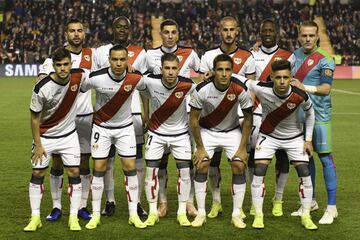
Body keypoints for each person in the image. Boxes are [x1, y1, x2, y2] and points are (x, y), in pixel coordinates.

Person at [247, 59, 317, 230]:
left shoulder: (300, 95)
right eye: (278, 78)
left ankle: (306, 215)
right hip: (268, 136)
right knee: (259, 170)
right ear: (272, 77)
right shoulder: (261, 88)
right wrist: (212, 73)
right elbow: (244, 81)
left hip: (294, 138)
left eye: (286, 77)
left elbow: (310, 114)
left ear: (291, 77)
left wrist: (308, 140)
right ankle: (258, 214)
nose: (282, 81)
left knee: (304, 172)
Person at [83, 44, 146, 229]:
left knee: (130, 167)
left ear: (128, 60)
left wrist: (147, 113)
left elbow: (147, 91)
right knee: (99, 167)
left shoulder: (136, 78)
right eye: (115, 59)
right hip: (101, 129)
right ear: (109, 60)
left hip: (125, 128)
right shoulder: (96, 77)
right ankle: (95, 215)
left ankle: (133, 214)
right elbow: (80, 88)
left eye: (122, 59)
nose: (118, 63)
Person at [198, 15, 255, 219]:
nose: (229, 34)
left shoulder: (248, 56)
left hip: (238, 118)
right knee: (212, 162)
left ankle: (243, 207)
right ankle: (216, 202)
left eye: (232, 30)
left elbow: (251, 87)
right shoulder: (208, 56)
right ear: (219, 31)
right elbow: (203, 84)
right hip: (213, 117)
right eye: (225, 30)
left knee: (241, 161)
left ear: (237, 31)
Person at [37, 19, 93, 221]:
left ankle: (82, 206)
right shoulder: (58, 57)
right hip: (60, 121)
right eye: (72, 31)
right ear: (66, 33)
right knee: (58, 162)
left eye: (80, 30)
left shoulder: (93, 55)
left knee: (84, 163)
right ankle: (57, 206)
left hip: (85, 117)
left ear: (84, 33)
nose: (76, 34)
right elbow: (42, 82)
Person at [24, 48, 86, 231]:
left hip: (69, 137)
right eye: (58, 65)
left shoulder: (80, 77)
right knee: (37, 174)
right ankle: (35, 217)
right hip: (45, 137)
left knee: (74, 172)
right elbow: (34, 118)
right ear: (53, 66)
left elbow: (104, 74)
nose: (63, 68)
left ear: (71, 64)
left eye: (66, 64)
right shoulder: (42, 87)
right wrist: (38, 144)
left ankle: (73, 217)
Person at [190, 54, 253, 228]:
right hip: (207, 131)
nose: (224, 74)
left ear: (232, 71)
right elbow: (193, 120)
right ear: (213, 71)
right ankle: (201, 213)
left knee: (239, 165)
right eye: (220, 70)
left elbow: (248, 119)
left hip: (231, 131)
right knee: (202, 164)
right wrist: (200, 148)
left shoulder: (240, 89)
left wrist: (242, 148)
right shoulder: (202, 89)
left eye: (227, 70)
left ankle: (236, 214)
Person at [93, 16, 148, 217]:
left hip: (132, 114)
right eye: (118, 26)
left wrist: (146, 113)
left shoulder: (141, 53)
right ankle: (110, 201)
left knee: (136, 160)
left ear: (130, 30)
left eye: (126, 27)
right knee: (106, 161)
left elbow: (145, 85)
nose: (122, 30)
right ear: (112, 28)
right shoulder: (100, 52)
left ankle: (138, 202)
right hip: (105, 115)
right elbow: (93, 79)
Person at [145, 18, 200, 218]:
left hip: (185, 118)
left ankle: (189, 202)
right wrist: (145, 113)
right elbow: (143, 84)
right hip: (159, 118)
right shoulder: (150, 55)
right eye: (166, 32)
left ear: (178, 34)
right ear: (161, 34)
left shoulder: (190, 53)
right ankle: (163, 202)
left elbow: (202, 76)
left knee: (187, 164)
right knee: (160, 164)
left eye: (173, 32)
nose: (170, 36)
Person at [290, 21, 338, 225]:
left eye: (311, 36)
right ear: (299, 37)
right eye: (304, 36)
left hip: (320, 118)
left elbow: (326, 89)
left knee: (325, 159)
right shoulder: (295, 56)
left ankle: (332, 207)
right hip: (299, 117)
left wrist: (303, 87)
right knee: (306, 160)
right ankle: (310, 202)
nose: (307, 39)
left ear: (317, 36)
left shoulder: (326, 59)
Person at [141, 53, 195, 227]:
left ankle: (181, 212)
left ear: (179, 69)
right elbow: (134, 84)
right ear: (161, 69)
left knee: (185, 173)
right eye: (167, 68)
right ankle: (152, 212)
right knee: (151, 173)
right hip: (156, 134)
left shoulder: (188, 84)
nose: (171, 72)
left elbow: (207, 90)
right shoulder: (150, 81)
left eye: (174, 68)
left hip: (180, 135)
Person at [250, 18, 293, 217]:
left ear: (277, 33)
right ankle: (255, 200)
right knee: (255, 158)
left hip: (282, 115)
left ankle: (278, 199)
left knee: (283, 158)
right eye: (264, 30)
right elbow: (250, 84)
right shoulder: (252, 55)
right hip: (258, 114)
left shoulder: (288, 56)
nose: (267, 33)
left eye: (271, 31)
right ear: (260, 32)